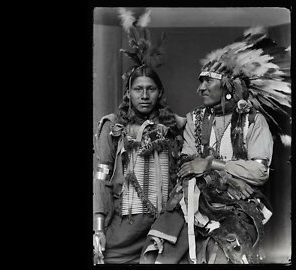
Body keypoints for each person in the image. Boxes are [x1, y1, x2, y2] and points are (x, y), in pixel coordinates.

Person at [140, 26, 291, 264]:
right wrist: (200, 169)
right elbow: (187, 164)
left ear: (229, 86)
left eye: (207, 82)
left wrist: (212, 163)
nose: (200, 89)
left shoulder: (253, 121)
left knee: (223, 254)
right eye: (200, 82)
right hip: (195, 199)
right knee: (155, 251)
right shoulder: (196, 119)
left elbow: (259, 171)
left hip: (240, 204)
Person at [92, 8, 185, 264]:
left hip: (164, 225)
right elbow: (101, 178)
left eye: (151, 89)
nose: (144, 96)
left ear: (159, 92)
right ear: (129, 94)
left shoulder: (173, 127)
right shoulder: (112, 127)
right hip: (126, 224)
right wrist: (98, 227)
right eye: (138, 90)